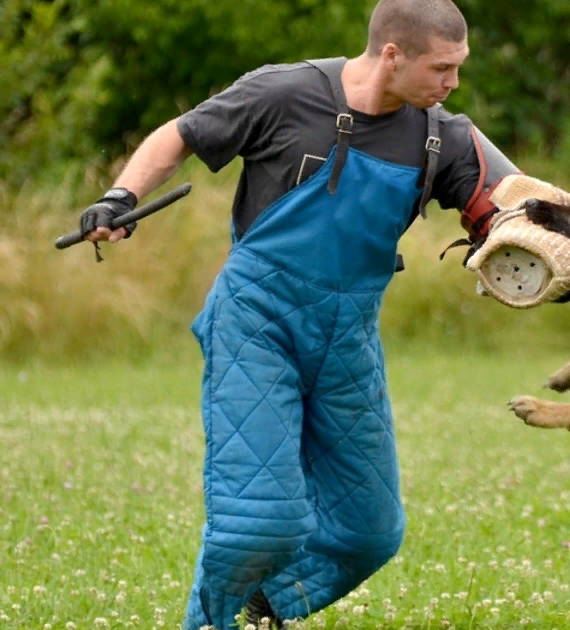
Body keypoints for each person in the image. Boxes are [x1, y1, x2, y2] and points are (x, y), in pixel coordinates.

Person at [77, 1, 525, 628]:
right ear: (392, 54)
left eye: (458, 68)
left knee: (370, 532)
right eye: (442, 68)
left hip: (349, 337)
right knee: (259, 522)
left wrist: (537, 234)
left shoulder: (440, 135)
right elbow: (178, 135)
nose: (452, 84)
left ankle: (266, 604)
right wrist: (120, 195)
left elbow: (516, 198)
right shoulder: (284, 93)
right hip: (257, 321)